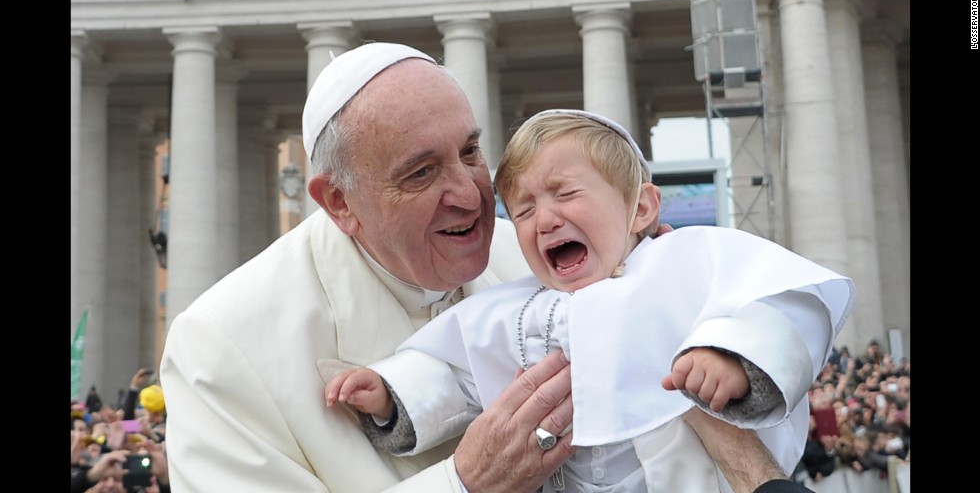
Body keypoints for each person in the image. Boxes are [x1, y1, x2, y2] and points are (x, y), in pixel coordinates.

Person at [160, 41, 830, 493]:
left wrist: (731, 363)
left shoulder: (543, 257)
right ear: (340, 202)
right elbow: (449, 366)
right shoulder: (220, 346)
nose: (473, 193)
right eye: (422, 172)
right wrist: (462, 482)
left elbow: (770, 306)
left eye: (472, 152)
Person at [324, 109, 855, 492]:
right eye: (524, 208)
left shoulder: (688, 257)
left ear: (642, 207)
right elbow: (456, 371)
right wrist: (392, 396)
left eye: (565, 192)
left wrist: (733, 360)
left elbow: (784, 303)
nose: (546, 218)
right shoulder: (517, 308)